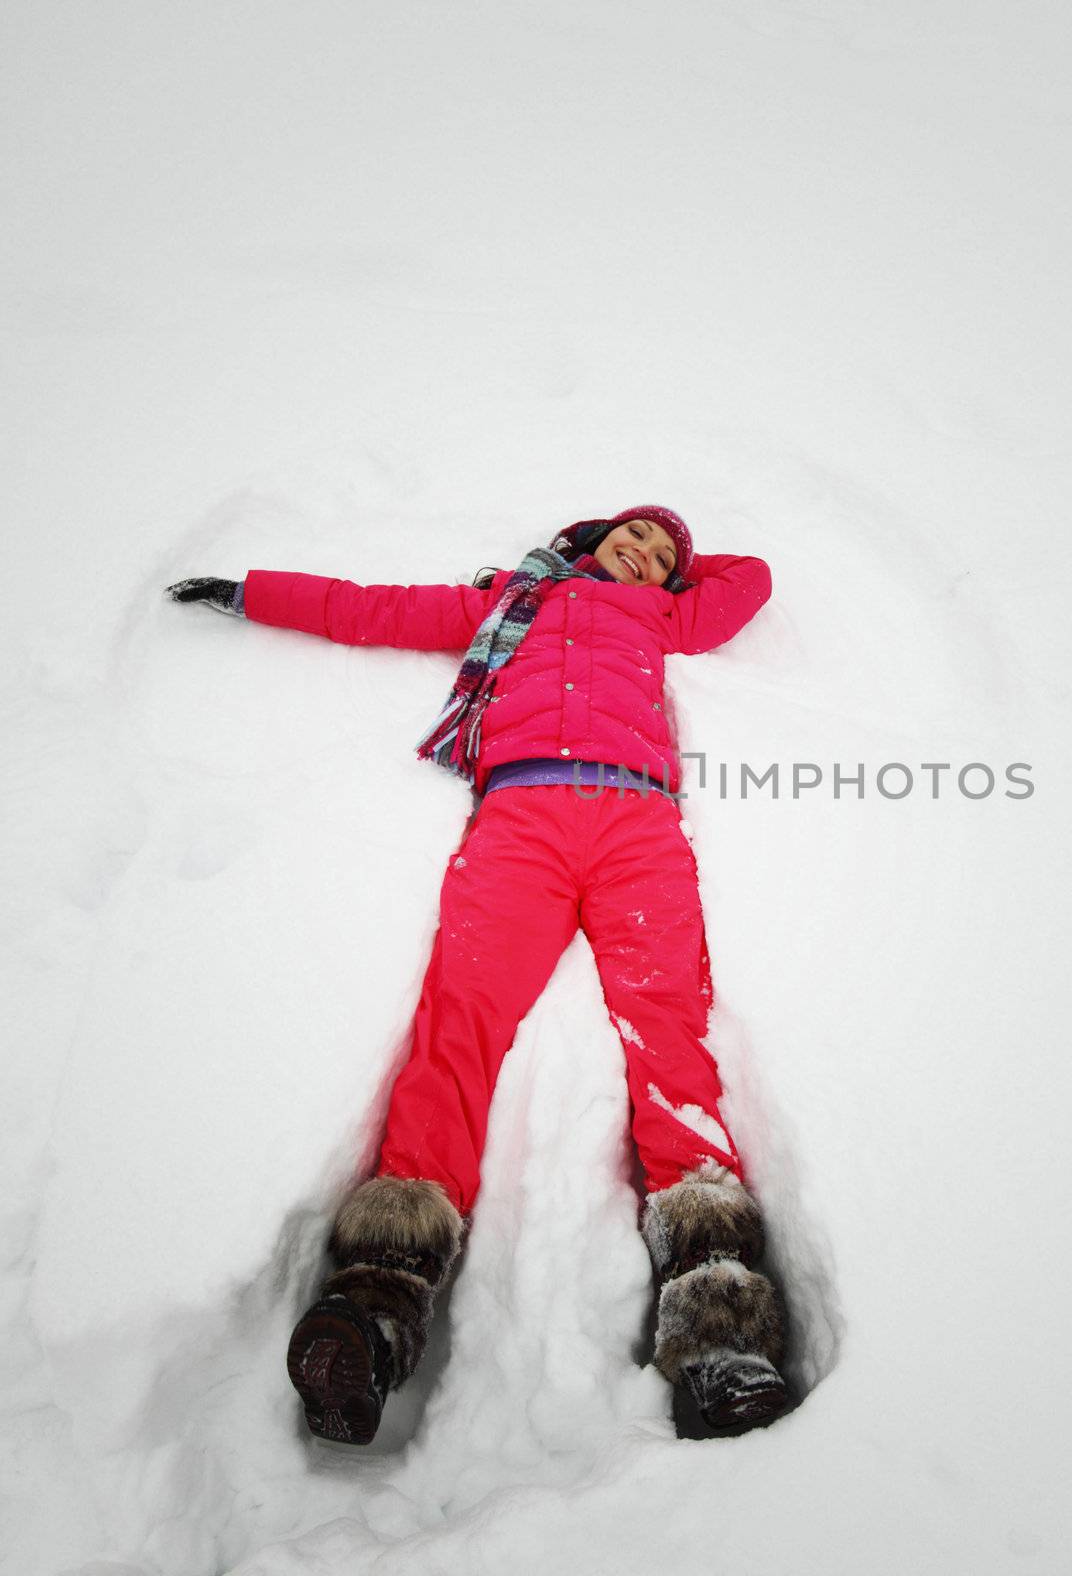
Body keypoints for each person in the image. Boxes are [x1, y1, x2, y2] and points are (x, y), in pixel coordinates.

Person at [166, 506, 787, 1444]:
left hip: (638, 829)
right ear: (589, 539)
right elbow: (365, 608)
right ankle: (378, 1303)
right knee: (461, 1022)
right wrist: (254, 595)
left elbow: (751, 581)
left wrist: (678, 569)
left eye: (664, 557)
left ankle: (720, 1336)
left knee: (669, 1036)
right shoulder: (508, 602)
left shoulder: (665, 616)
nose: (647, 553)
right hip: (522, 820)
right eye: (633, 536)